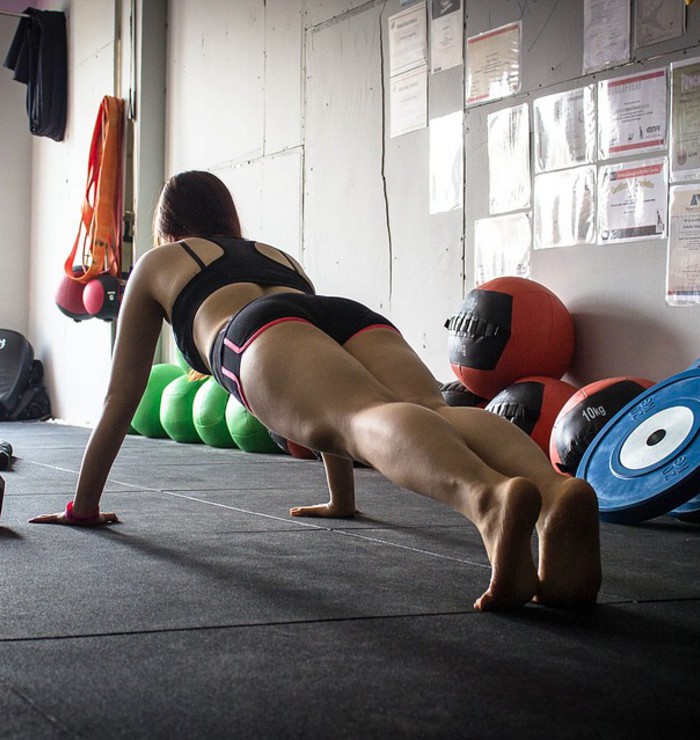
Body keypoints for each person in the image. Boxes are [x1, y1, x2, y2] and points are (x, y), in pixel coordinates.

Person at [31, 170, 602, 611]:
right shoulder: (275, 254)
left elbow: (120, 397)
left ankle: (488, 501)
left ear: (168, 227)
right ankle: (555, 495)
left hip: (251, 330)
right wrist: (341, 499)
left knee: (361, 417)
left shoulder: (160, 261)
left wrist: (83, 507)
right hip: (344, 313)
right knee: (428, 407)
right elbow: (324, 361)